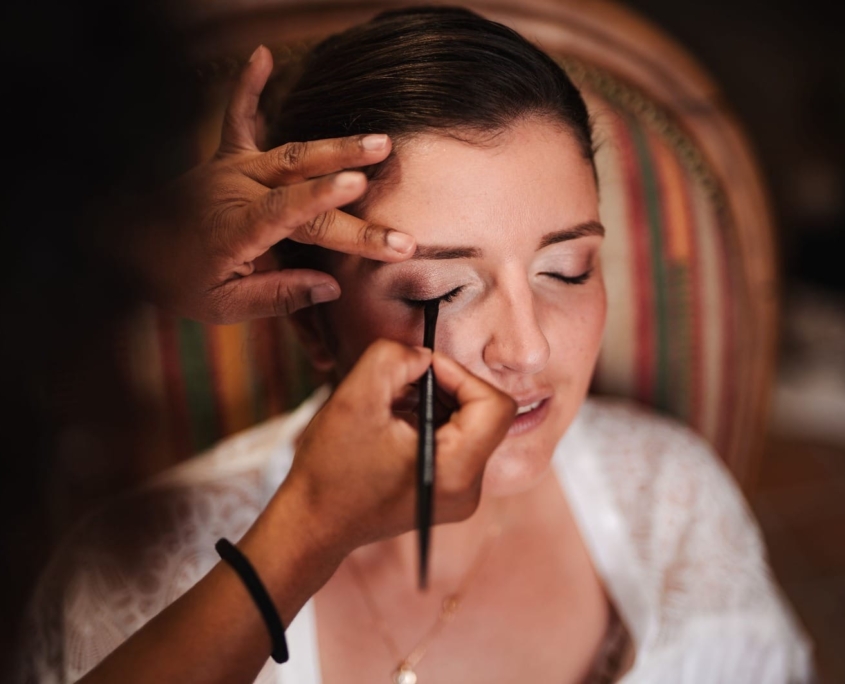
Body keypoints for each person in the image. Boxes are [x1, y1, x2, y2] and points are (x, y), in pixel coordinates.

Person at [18, 7, 814, 684]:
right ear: (310, 323)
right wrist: (304, 536)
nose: (526, 350)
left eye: (566, 270)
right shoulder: (131, 579)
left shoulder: (671, 501)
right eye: (439, 290)